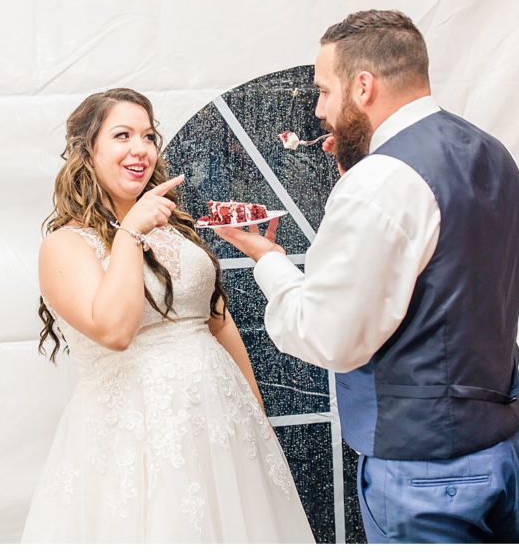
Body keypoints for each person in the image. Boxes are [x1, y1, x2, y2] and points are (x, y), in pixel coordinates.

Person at [216, 10, 519, 543]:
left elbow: (329, 336)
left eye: (323, 91)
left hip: (424, 477)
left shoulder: (379, 181)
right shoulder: (490, 151)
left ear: (362, 86)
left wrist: (267, 259)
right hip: (504, 453)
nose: (320, 111)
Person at [21, 88, 315, 544]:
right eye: (122, 135)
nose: (140, 148)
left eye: (148, 135)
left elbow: (217, 320)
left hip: (222, 431)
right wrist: (129, 233)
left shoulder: (174, 229)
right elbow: (114, 330)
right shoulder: (66, 245)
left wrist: (254, 410)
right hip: (134, 441)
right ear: (88, 151)